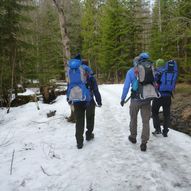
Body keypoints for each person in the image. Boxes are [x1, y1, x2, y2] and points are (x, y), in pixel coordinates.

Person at [120, 52, 153, 152]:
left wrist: (123, 98)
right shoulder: (151, 69)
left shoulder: (131, 71)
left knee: (133, 119)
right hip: (147, 99)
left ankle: (133, 137)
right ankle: (144, 143)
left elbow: (126, 86)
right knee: (146, 121)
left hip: (135, 99)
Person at [67, 57, 102, 149]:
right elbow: (95, 90)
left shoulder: (73, 73)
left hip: (76, 101)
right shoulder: (90, 76)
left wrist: (69, 100)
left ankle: (79, 142)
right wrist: (99, 101)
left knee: (79, 121)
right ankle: (89, 135)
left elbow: (69, 87)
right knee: (90, 118)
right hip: (89, 100)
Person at [152, 59, 178, 137]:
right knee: (166, 114)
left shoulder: (158, 72)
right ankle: (165, 131)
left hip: (158, 96)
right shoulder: (171, 72)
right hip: (168, 96)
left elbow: (154, 81)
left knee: (154, 112)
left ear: (157, 64)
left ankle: (158, 129)